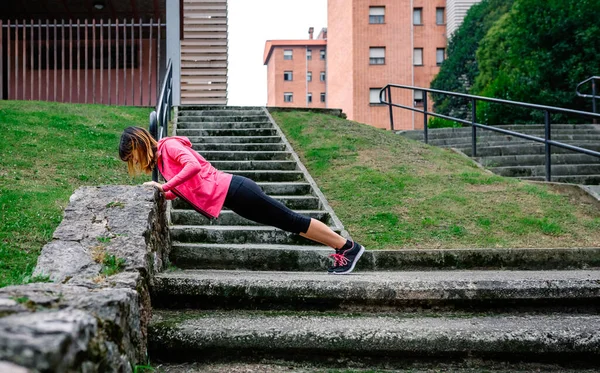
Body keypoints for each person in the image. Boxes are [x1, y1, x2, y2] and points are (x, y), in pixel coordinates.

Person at [119, 126, 364, 274]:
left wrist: (164, 185)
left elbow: (193, 166)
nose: (135, 162)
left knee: (292, 220)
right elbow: (187, 187)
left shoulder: (169, 146)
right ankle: (342, 248)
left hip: (237, 189)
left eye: (132, 156)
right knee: (290, 224)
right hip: (234, 196)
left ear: (138, 143)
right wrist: (166, 191)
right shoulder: (162, 160)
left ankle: (347, 247)